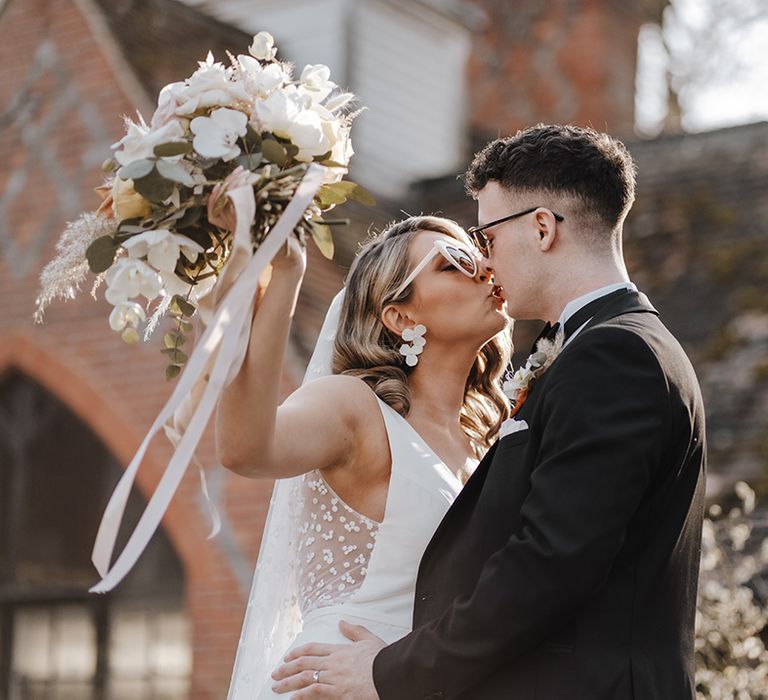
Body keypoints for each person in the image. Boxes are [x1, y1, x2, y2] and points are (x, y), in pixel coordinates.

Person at [272, 124, 707, 699]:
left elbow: (550, 564)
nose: (485, 261)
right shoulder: (603, 346)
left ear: (543, 228)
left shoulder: (614, 354)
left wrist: (389, 672)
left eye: (487, 237)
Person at [216, 215, 513, 699]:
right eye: (452, 264)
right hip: (334, 681)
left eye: (480, 254)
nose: (483, 269)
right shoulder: (353, 406)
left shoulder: (486, 442)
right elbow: (245, 447)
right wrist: (286, 276)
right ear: (401, 317)